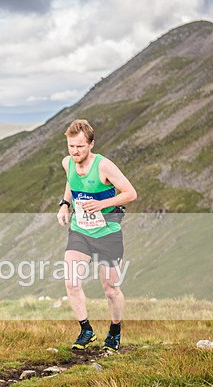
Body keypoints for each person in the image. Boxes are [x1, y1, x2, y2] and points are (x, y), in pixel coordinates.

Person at [56, 119, 137, 353]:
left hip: (108, 232)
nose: (75, 151)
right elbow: (71, 182)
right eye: (71, 146)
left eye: (80, 146)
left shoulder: (104, 166)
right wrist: (64, 204)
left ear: (91, 144)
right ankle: (86, 330)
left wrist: (102, 203)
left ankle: (114, 330)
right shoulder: (67, 162)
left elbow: (130, 193)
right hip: (80, 230)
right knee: (71, 282)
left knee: (110, 288)